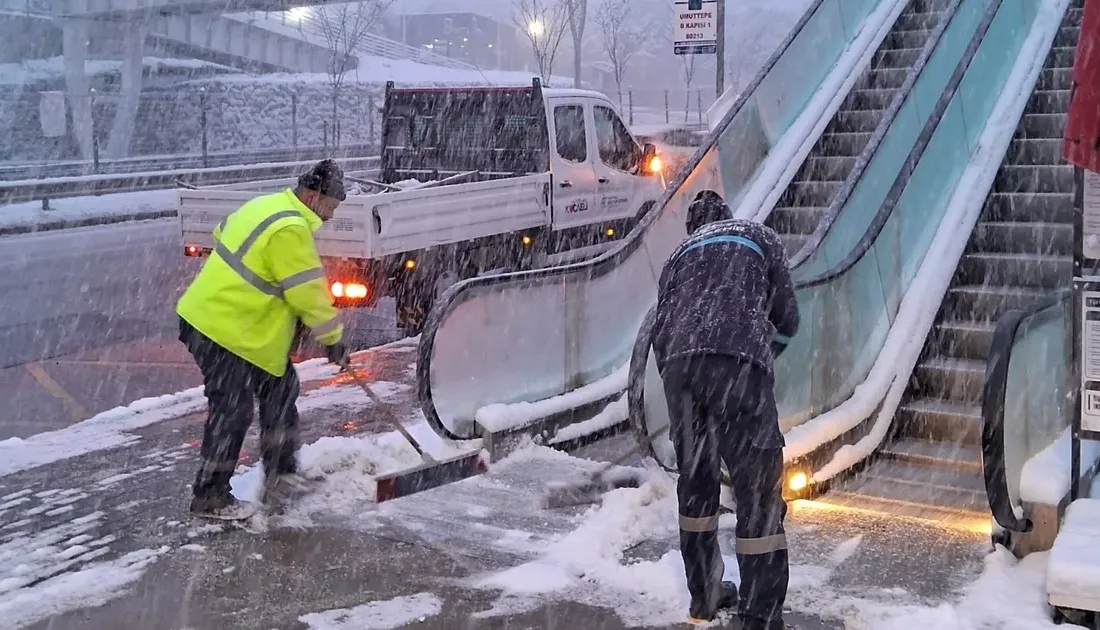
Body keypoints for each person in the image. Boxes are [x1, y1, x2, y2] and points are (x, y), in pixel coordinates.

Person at [651, 190, 800, 629]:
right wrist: (758, 355)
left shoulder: (678, 256)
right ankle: (759, 613)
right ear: (727, 216)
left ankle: (704, 594)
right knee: (757, 495)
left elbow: (661, 334)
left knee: (696, 487)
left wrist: (685, 387)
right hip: (738, 367)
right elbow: (788, 321)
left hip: (680, 370)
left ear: (692, 227)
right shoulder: (757, 236)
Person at [177, 159, 352, 521]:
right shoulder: (289, 227)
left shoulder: (266, 205)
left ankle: (281, 477)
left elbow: (222, 233)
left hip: (241, 330)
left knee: (281, 390)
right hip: (219, 330)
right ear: (314, 196)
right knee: (234, 408)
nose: (331, 216)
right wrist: (333, 339)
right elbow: (308, 293)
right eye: (331, 207)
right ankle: (210, 495)